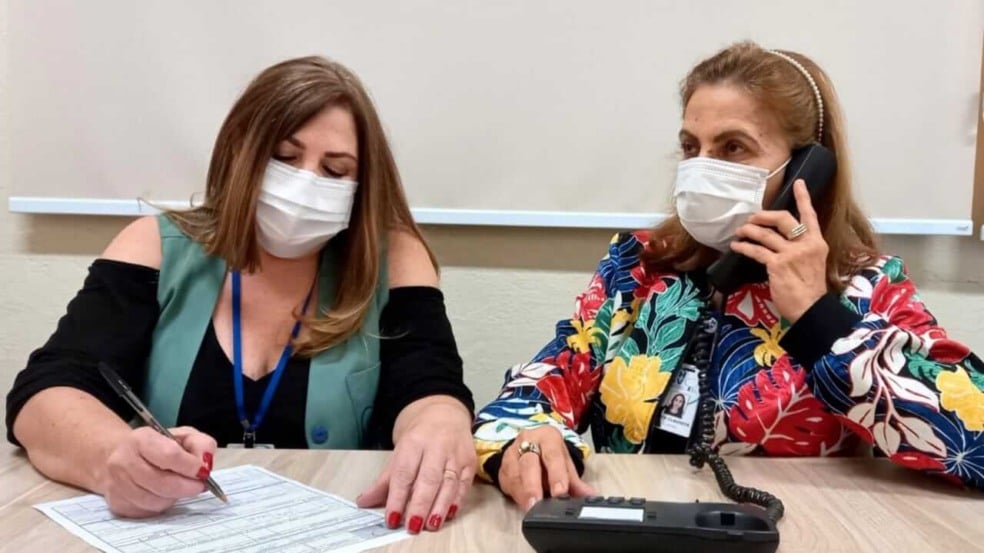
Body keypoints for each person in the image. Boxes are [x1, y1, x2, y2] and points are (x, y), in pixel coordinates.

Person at [473, 41, 984, 510]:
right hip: (635, 530)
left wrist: (818, 318)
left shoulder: (864, 286)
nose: (701, 168)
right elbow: (537, 388)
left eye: (733, 147)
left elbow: (974, 441)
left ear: (808, 167)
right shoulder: (638, 266)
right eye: (691, 147)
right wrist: (528, 437)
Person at [6, 56, 476, 534]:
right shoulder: (154, 246)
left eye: (335, 171)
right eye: (285, 158)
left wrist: (439, 423)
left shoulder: (393, 258)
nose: (306, 183)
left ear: (362, 187)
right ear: (241, 153)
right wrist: (112, 457)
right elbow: (49, 392)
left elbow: (427, 382)